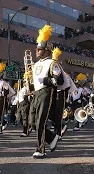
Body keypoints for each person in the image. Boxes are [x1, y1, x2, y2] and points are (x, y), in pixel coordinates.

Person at [30, 25, 63, 158]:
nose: (36, 51)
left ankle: (40, 149)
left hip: (46, 92)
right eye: (37, 49)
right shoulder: (36, 64)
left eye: (39, 49)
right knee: (32, 121)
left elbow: (59, 80)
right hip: (36, 94)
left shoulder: (52, 63)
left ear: (47, 50)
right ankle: (52, 138)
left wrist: (47, 81)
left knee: (41, 121)